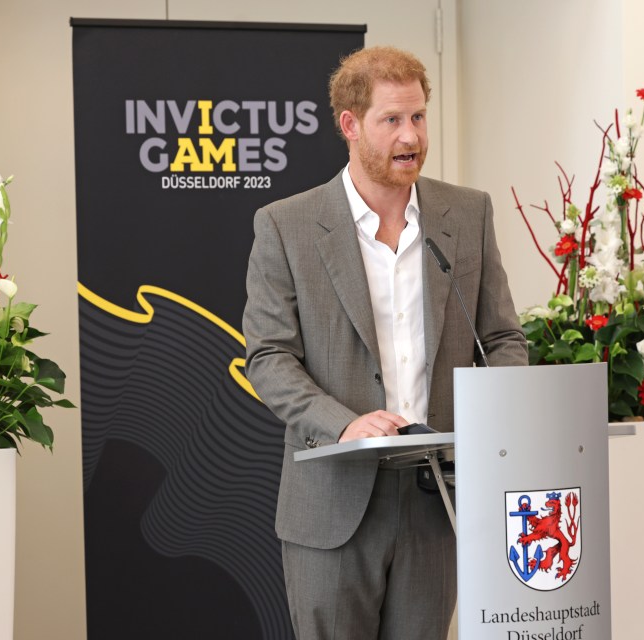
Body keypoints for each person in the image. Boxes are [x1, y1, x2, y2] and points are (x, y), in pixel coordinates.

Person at [243, 46, 527, 640]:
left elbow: (501, 337)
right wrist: (343, 424)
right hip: (333, 504)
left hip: (439, 500)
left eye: (419, 118)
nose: (411, 137)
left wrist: (494, 419)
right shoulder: (285, 225)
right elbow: (269, 357)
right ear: (350, 125)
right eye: (392, 120)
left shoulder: (467, 214)